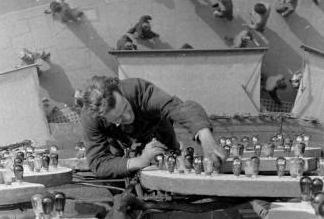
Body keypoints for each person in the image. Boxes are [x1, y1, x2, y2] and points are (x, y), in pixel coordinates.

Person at [79, 76, 226, 178]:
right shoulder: (90, 118)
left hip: (161, 136)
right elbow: (98, 162)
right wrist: (141, 160)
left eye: (126, 107)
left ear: (120, 91)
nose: (128, 117)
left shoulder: (138, 89)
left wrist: (205, 137)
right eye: (118, 118)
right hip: (125, 150)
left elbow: (180, 108)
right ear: (102, 118)